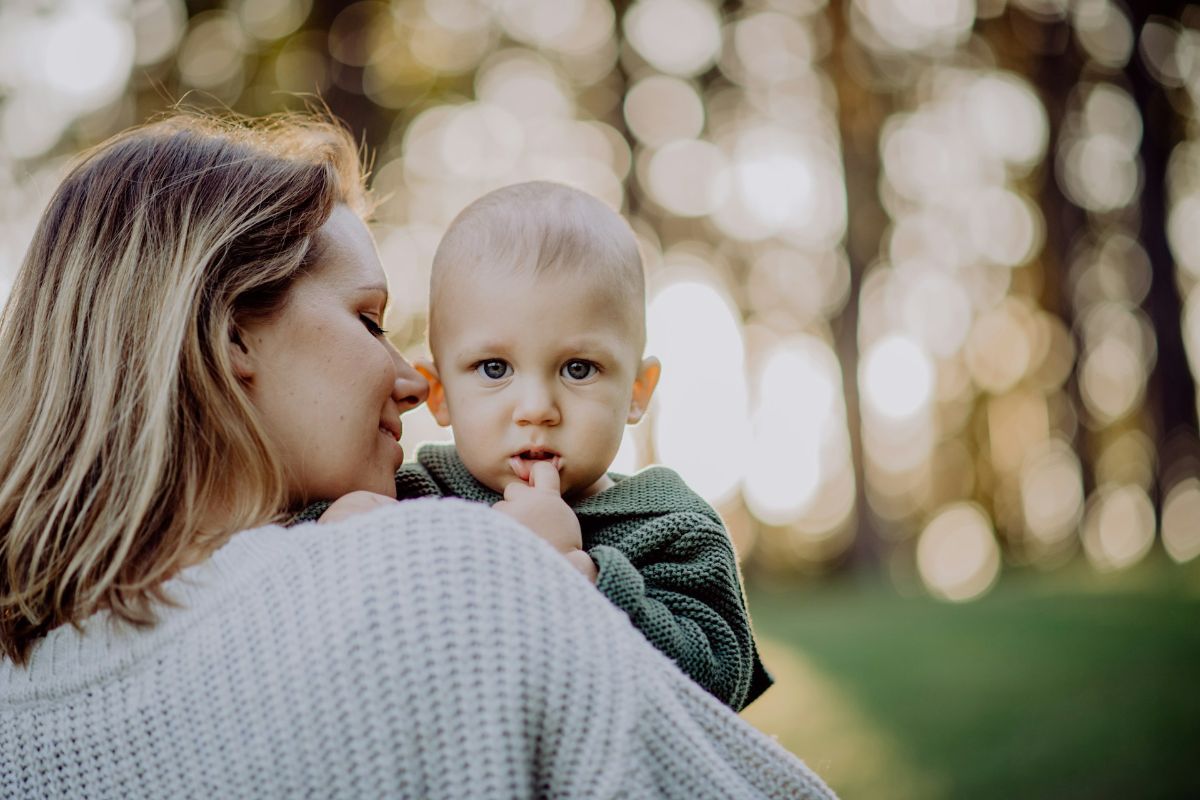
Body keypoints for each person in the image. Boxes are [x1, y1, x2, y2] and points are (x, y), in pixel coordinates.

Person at [0, 113, 836, 799]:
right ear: (226, 336)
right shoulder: (440, 575)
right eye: (369, 320)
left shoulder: (22, 692)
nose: (409, 381)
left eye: (577, 368)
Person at [300, 182, 772, 712]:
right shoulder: (412, 499)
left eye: (578, 369)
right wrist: (334, 532)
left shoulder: (672, 525)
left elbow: (718, 678)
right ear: (441, 394)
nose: (537, 407)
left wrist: (578, 575)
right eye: (494, 369)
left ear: (636, 392)